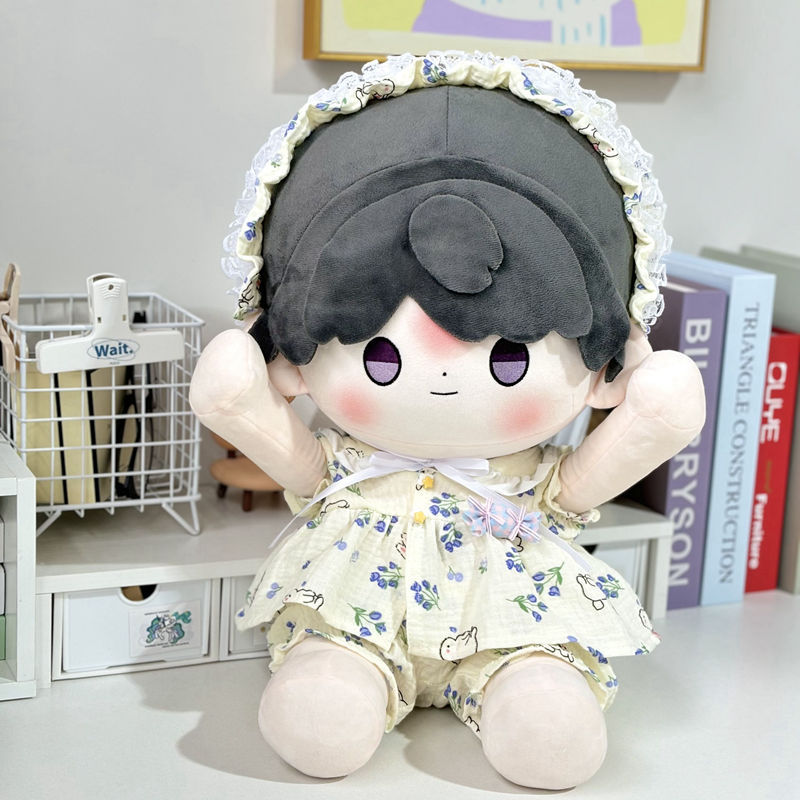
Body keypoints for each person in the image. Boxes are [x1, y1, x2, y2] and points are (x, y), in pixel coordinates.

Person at [190, 53, 705, 789]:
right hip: (355, 615)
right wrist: (237, 401)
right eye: (382, 360)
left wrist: (657, 415)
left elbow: (583, 482)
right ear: (292, 359)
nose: (437, 381)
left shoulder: (532, 476)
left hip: (512, 618)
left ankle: (526, 690)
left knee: (547, 724)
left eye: (507, 360)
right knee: (322, 710)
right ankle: (340, 681)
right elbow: (295, 458)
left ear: (605, 366)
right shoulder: (349, 470)